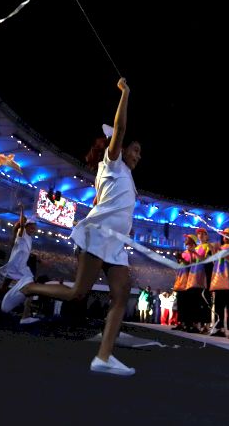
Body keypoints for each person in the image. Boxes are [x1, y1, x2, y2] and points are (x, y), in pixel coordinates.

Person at [17, 78, 140, 376]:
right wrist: (125, 94)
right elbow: (120, 129)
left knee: (121, 293)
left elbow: (117, 207)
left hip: (114, 242)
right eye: (135, 150)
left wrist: (128, 230)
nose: (138, 155)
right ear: (121, 150)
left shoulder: (126, 178)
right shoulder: (111, 164)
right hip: (96, 236)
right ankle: (28, 287)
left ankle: (104, 357)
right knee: (77, 294)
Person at [208, 228, 229, 338]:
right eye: (224, 235)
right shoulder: (219, 247)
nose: (225, 237)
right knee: (219, 306)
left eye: (228, 235)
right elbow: (214, 263)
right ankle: (219, 328)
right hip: (219, 280)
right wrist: (213, 252)